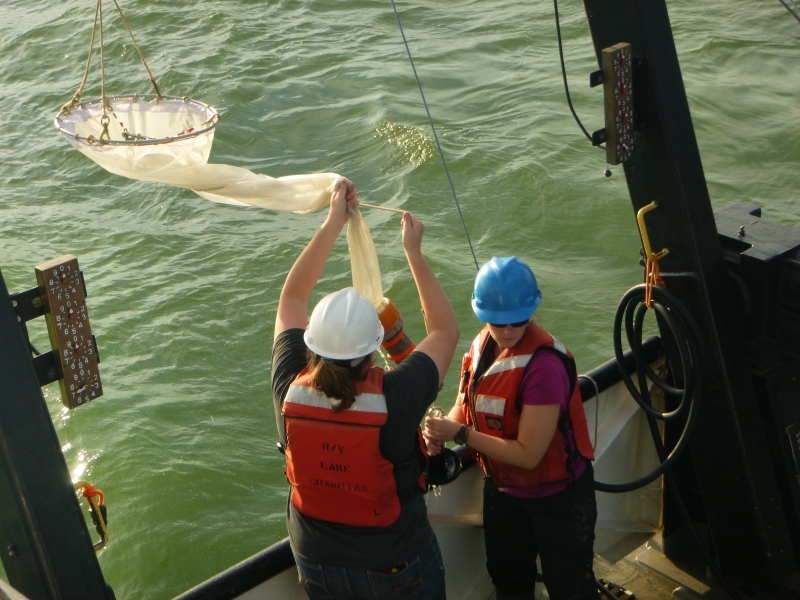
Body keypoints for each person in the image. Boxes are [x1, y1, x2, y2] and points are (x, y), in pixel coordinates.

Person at [271, 178, 459, 600]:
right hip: (392, 562)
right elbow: (445, 330)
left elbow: (291, 299)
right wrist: (414, 252)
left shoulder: (289, 391)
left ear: (311, 348)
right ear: (373, 352)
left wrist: (333, 221)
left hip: (315, 561)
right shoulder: (396, 397)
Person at [424, 256, 597, 600]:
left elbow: (529, 454)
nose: (506, 331)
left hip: (557, 500)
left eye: (516, 321)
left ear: (531, 312)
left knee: (570, 587)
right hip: (503, 495)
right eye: (496, 322)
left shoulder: (544, 367)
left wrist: (460, 435)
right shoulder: (481, 347)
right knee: (508, 581)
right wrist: (439, 431)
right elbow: (466, 404)